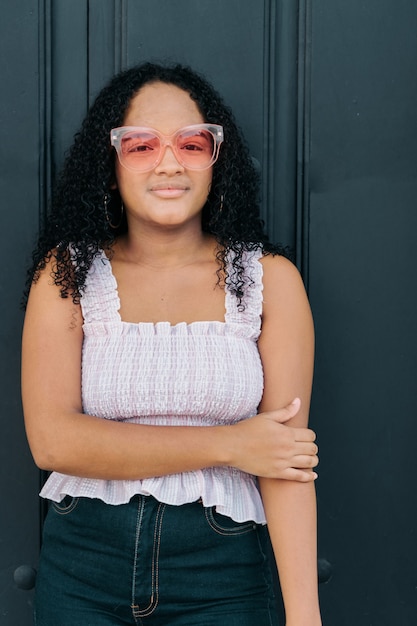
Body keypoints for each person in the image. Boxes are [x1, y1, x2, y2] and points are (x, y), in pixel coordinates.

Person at [22, 61, 321, 626]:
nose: (168, 162)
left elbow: (285, 462)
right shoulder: (66, 276)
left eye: (191, 143)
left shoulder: (270, 279)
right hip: (84, 568)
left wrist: (305, 613)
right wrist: (231, 445)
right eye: (140, 145)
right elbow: (53, 442)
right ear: (110, 166)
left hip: (223, 572)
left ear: (216, 160)